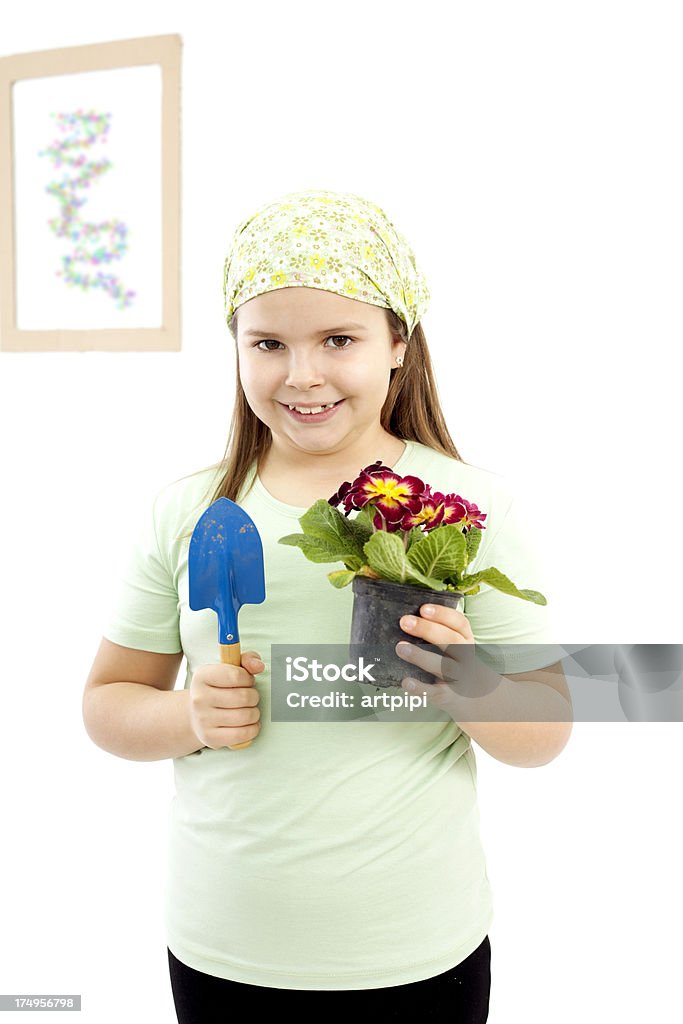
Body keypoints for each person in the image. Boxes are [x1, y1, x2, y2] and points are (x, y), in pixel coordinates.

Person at [82, 189, 571, 1023]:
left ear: (397, 345)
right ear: (235, 348)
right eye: (267, 342)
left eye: (337, 339)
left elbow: (545, 731)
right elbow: (106, 704)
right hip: (222, 947)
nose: (300, 374)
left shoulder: (465, 507)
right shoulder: (191, 513)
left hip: (417, 953)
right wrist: (186, 718)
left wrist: (465, 685)